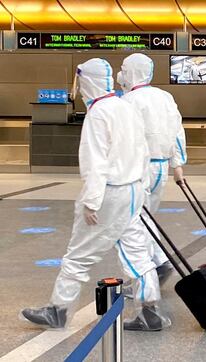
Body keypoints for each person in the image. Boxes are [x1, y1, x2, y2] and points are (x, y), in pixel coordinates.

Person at [21, 58, 169, 331]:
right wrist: (144, 188)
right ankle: (150, 312)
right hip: (134, 190)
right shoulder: (126, 106)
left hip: (109, 194)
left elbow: (95, 163)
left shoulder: (99, 113)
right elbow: (144, 150)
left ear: (86, 82)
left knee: (79, 254)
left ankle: (58, 310)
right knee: (137, 253)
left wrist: (91, 202)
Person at [117, 53, 187, 288]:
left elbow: (121, 139)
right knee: (145, 217)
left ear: (132, 72)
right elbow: (177, 130)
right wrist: (177, 164)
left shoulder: (128, 101)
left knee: (133, 221)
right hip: (160, 168)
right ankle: (158, 261)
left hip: (138, 168)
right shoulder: (164, 96)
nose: (121, 74)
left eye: (124, 70)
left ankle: (147, 271)